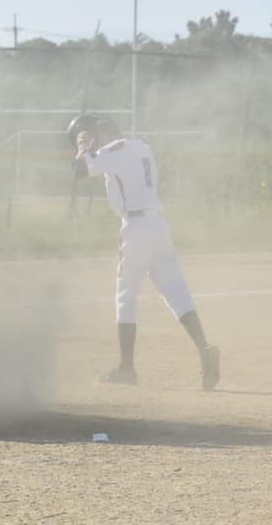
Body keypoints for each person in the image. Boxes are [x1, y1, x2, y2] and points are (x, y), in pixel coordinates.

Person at [70, 114, 220, 390]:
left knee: (126, 297)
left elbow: (79, 171)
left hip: (135, 228)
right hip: (158, 225)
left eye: (94, 137)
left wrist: (82, 146)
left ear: (103, 135)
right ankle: (204, 348)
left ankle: (127, 368)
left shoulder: (111, 149)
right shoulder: (141, 147)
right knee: (176, 292)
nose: (94, 143)